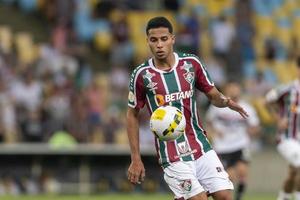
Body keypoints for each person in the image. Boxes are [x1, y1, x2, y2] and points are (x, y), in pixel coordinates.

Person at [126, 16, 248, 200]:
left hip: (200, 145)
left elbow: (213, 95)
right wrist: (136, 158)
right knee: (200, 199)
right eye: (154, 40)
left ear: (173, 39)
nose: (159, 45)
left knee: (225, 196)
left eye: (164, 39)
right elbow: (131, 115)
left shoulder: (191, 64)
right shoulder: (142, 75)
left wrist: (227, 102)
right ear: (147, 42)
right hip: (172, 154)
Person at [206, 82, 260, 200]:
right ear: (226, 90)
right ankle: (227, 195)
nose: (234, 90)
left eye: (236, 87)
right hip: (223, 146)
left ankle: (239, 197)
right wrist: (213, 132)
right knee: (230, 176)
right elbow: (209, 122)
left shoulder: (247, 107)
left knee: (242, 171)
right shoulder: (217, 107)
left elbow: (255, 126)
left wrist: (252, 131)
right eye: (231, 88)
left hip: (240, 144)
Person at [265, 57, 300, 200]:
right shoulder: (288, 89)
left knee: (293, 173)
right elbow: (266, 101)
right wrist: (278, 119)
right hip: (286, 138)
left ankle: (283, 197)